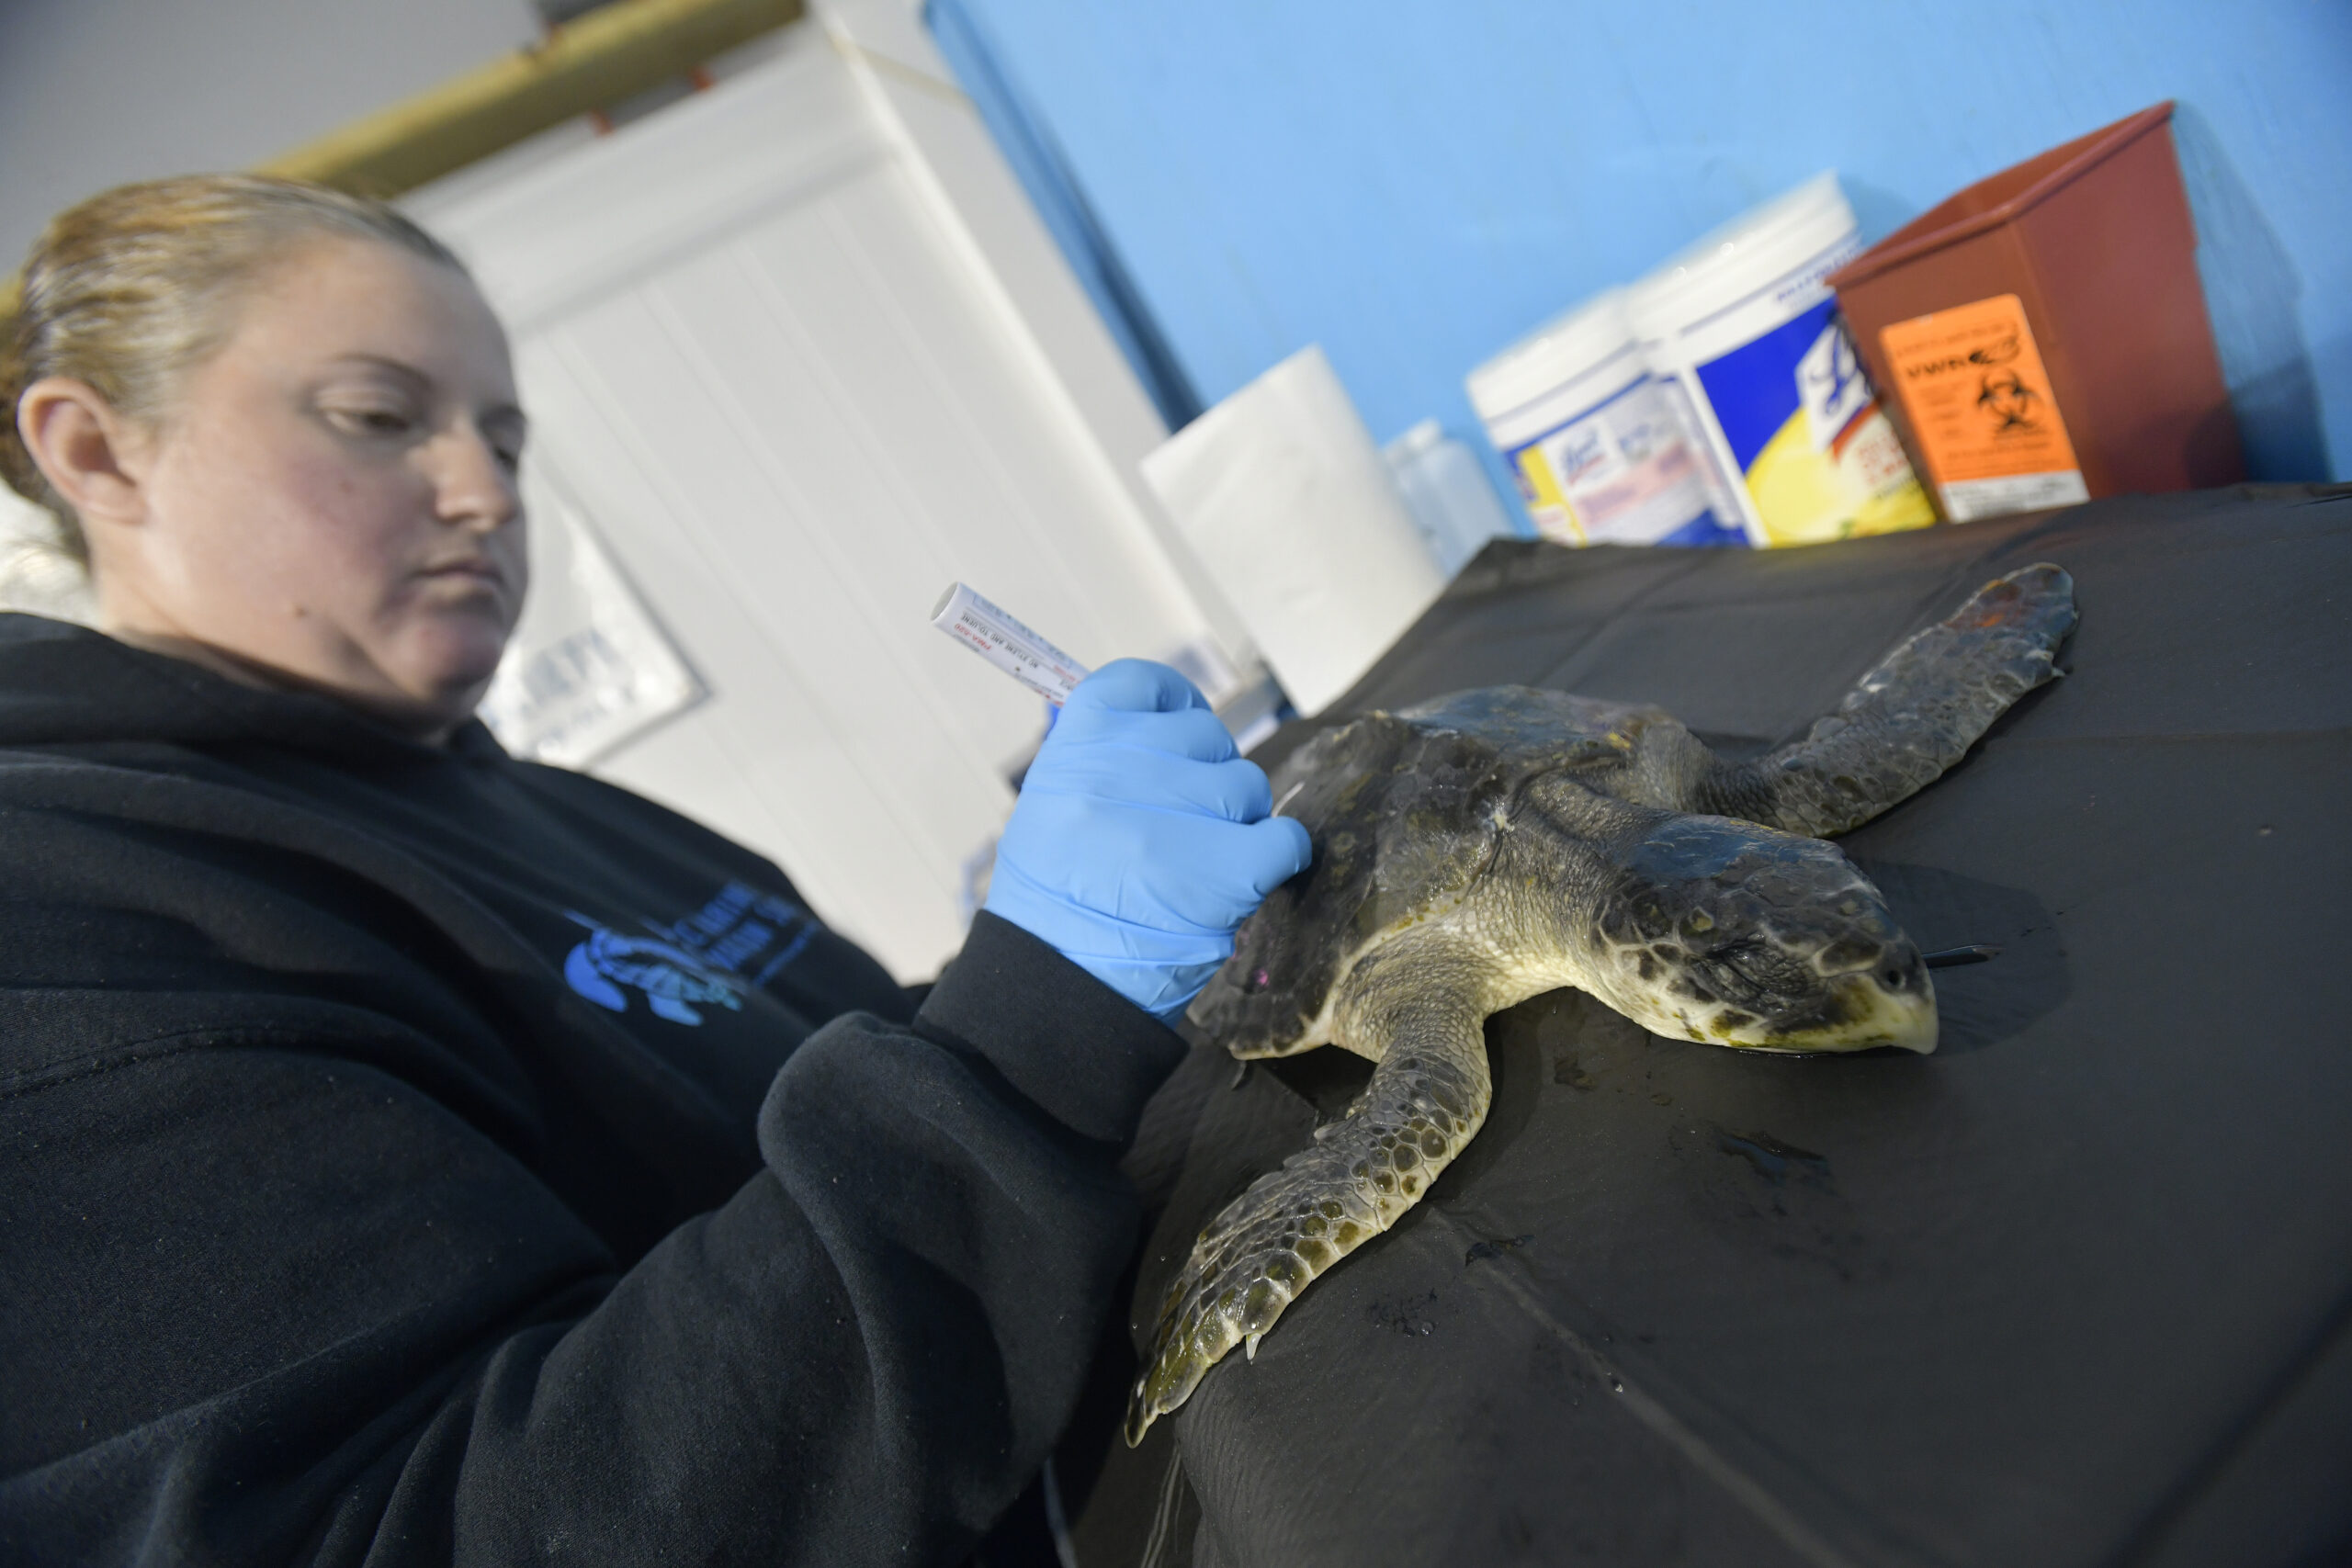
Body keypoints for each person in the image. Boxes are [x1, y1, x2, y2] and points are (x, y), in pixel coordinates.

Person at [0, 175, 1311, 1565]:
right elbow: (478, 1528)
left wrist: (1055, 964)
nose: (485, 494)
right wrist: (1046, 1002)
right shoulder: (67, 911)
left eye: (504, 440)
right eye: (379, 418)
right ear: (98, 450)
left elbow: (778, 1085)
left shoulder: (501, 795)